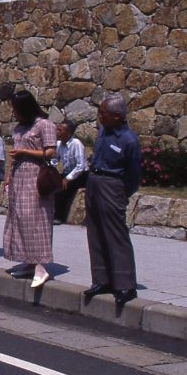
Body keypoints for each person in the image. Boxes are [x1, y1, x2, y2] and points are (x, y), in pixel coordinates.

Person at [84, 95, 142, 305]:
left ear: (117, 117)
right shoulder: (103, 133)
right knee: (95, 232)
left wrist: (122, 193)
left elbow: (134, 174)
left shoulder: (128, 140)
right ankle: (102, 279)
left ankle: (125, 284)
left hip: (113, 184)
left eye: (104, 114)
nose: (100, 117)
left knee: (116, 234)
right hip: (95, 181)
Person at [1, 90, 57, 288]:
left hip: (35, 176)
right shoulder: (19, 128)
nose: (14, 113)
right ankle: (29, 260)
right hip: (19, 176)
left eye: (16, 109)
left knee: (36, 219)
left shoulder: (44, 125)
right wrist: (8, 177)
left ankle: (41, 264)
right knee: (20, 218)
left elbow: (51, 151)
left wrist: (25, 151)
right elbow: (15, 157)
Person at [53, 119, 88, 224]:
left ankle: (59, 216)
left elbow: (80, 166)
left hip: (80, 174)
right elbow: (55, 160)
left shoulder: (76, 144)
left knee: (62, 188)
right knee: (51, 183)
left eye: (60, 130)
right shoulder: (59, 144)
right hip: (67, 172)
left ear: (68, 133)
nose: (57, 132)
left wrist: (67, 179)